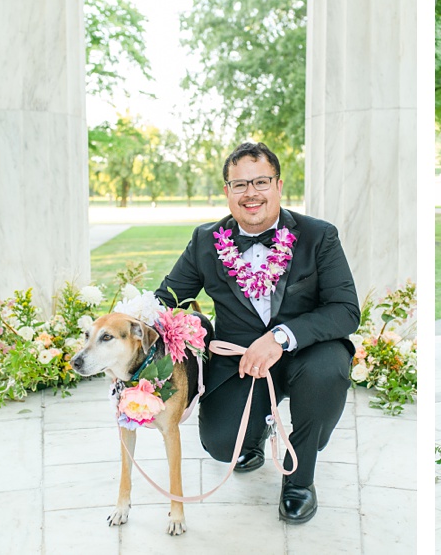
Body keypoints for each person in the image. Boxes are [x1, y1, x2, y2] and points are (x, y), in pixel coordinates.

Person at [152, 142, 361, 524]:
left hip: (307, 354)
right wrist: (129, 326)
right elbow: (165, 299)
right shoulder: (205, 241)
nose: (251, 193)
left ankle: (299, 480)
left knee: (325, 373)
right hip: (240, 361)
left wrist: (280, 337)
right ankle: (252, 437)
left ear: (279, 185)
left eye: (260, 181)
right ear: (227, 192)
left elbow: (346, 310)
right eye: (239, 184)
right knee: (219, 444)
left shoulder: (319, 236)